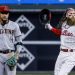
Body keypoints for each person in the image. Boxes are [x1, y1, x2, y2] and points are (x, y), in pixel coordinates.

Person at [45, 8, 75, 75]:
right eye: (70, 14)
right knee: (56, 73)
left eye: (74, 14)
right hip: (61, 53)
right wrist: (50, 27)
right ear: (66, 15)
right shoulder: (64, 23)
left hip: (72, 54)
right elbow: (60, 33)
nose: (73, 15)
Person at [0, 5, 22, 75]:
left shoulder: (14, 25)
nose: (4, 15)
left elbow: (19, 41)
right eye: (2, 13)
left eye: (6, 13)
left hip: (10, 55)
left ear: (8, 14)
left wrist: (17, 54)